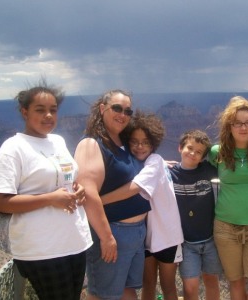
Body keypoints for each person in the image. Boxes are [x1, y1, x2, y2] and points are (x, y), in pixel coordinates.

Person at [0, 80, 92, 300]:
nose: (48, 116)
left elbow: (64, 179)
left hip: (73, 241)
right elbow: (0, 202)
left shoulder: (58, 141)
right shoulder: (13, 148)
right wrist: (50, 199)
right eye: (40, 110)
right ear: (24, 112)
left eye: (53, 110)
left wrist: (78, 188)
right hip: (42, 249)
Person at [74, 90, 151, 300]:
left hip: (136, 234)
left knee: (128, 291)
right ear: (102, 108)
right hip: (113, 232)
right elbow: (88, 193)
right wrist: (107, 237)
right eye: (116, 108)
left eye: (128, 111)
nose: (122, 114)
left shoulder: (124, 143)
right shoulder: (93, 144)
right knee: (102, 295)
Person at [101, 111, 184, 300]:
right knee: (148, 285)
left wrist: (98, 201)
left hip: (167, 236)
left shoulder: (154, 161)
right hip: (146, 237)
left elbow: (135, 187)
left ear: (153, 143)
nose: (139, 147)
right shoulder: (139, 163)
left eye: (145, 142)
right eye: (134, 141)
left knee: (168, 286)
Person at [209, 96, 248, 300]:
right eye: (237, 123)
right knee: (235, 284)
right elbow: (192, 166)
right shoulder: (218, 152)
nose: (243, 127)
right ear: (230, 126)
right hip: (226, 228)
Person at [170, 129, 222, 300]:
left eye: (199, 152)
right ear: (180, 148)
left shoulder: (208, 170)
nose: (192, 154)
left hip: (210, 240)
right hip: (186, 243)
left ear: (203, 157)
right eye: (189, 148)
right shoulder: (170, 174)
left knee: (211, 280)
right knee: (190, 286)